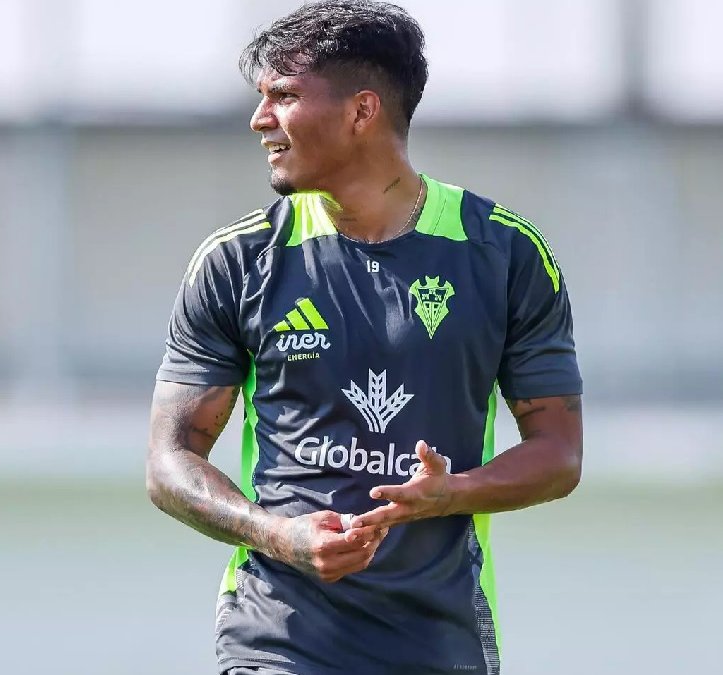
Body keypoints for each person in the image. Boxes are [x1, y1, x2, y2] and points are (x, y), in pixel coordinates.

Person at [145, 2, 583, 673]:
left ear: (362, 111)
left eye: (284, 96)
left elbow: (559, 454)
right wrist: (277, 534)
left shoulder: (505, 254)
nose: (260, 119)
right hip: (277, 640)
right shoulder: (239, 261)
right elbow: (169, 461)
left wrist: (451, 492)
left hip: (440, 642)